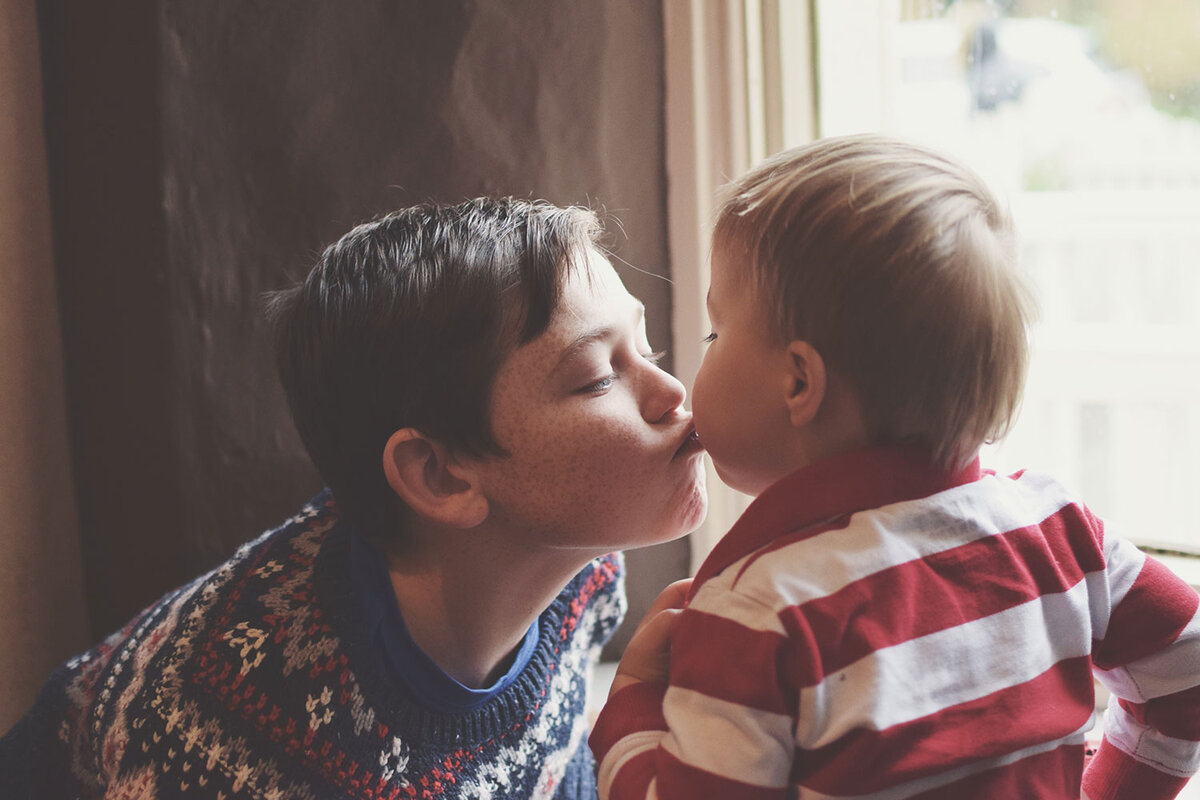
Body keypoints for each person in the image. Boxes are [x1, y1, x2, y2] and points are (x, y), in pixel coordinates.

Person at [0, 197, 708, 799]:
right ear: (440, 476)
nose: (672, 391)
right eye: (595, 377)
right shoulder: (250, 751)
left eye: (645, 349)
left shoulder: (581, 570)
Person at [590, 134, 1200, 799]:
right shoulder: (1062, 534)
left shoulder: (758, 617)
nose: (685, 374)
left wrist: (633, 709)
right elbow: (1188, 679)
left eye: (715, 332)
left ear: (798, 383)